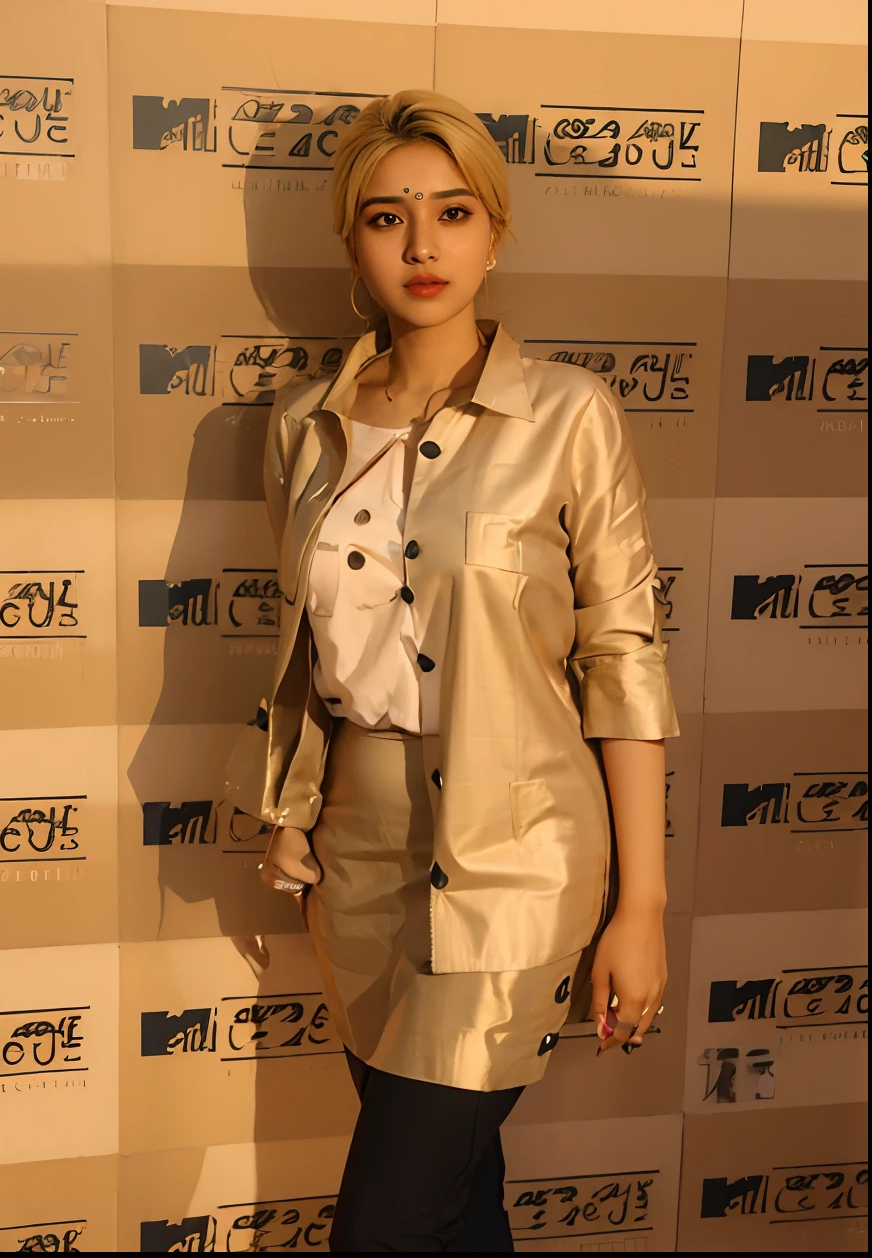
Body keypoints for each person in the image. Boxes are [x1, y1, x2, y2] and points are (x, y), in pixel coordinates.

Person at [224, 90, 679, 1253]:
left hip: (519, 851)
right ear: (351, 239)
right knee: (456, 1200)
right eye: (387, 217)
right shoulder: (301, 429)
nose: (422, 247)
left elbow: (621, 658)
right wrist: (296, 803)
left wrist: (641, 904)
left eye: (452, 211)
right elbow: (319, 650)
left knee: (383, 1221)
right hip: (358, 859)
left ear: (495, 227)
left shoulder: (568, 414)